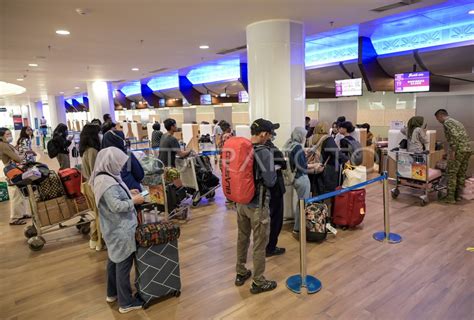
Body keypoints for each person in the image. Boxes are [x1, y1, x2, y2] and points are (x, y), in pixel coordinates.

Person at [89, 147, 144, 314]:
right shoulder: (107, 183)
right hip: (120, 229)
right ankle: (126, 302)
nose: (120, 167)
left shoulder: (103, 177)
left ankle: (112, 293)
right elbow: (116, 206)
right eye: (118, 164)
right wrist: (134, 201)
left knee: (114, 260)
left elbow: (115, 197)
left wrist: (129, 193)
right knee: (123, 264)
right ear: (110, 163)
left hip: (112, 228)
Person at [235, 118, 278, 294]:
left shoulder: (241, 148)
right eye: (269, 134)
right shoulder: (264, 152)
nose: (270, 137)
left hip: (241, 203)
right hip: (257, 205)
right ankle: (259, 281)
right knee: (260, 243)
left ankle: (241, 271)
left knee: (242, 237)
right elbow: (270, 181)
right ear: (263, 134)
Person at [284, 127, 318, 237]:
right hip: (301, 178)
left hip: (294, 178)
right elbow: (302, 166)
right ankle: (298, 229)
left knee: (300, 203)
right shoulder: (297, 147)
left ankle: (298, 227)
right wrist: (315, 166)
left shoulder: (289, 144)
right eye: (304, 136)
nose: (305, 138)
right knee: (303, 204)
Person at [434, 109, 473, 204]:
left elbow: (454, 136)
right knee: (461, 173)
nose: (438, 121)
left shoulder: (447, 122)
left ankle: (450, 197)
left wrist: (453, 152)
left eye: (437, 118)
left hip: (458, 150)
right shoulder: (457, 122)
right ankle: (457, 196)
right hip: (467, 149)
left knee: (452, 173)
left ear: (440, 116)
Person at [79, 124, 103, 251]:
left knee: (96, 213)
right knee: (99, 214)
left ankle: (95, 239)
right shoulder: (93, 151)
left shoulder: (86, 150)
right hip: (94, 186)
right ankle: (97, 240)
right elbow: (95, 171)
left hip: (89, 185)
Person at [0, 128, 31, 225]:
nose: (10, 136)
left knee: (21, 193)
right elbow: (17, 158)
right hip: (11, 171)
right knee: (15, 194)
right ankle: (14, 218)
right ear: (1, 136)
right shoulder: (3, 145)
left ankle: (22, 213)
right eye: (7, 134)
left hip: (14, 169)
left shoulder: (7, 144)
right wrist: (24, 155)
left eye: (10, 133)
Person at [264, 128, 287, 257]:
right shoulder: (271, 149)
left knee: (267, 218)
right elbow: (283, 164)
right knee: (276, 218)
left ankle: (266, 245)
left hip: (265, 189)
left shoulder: (256, 148)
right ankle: (271, 247)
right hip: (276, 188)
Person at [102, 125, 144, 191]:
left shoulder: (101, 157)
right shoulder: (126, 154)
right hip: (132, 190)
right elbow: (139, 175)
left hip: (113, 192)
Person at [310, 122, 341, 197]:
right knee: (326, 193)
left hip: (315, 167)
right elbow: (335, 152)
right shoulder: (327, 139)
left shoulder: (313, 138)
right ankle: (325, 208)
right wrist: (346, 160)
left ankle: (315, 207)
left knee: (316, 191)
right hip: (327, 169)